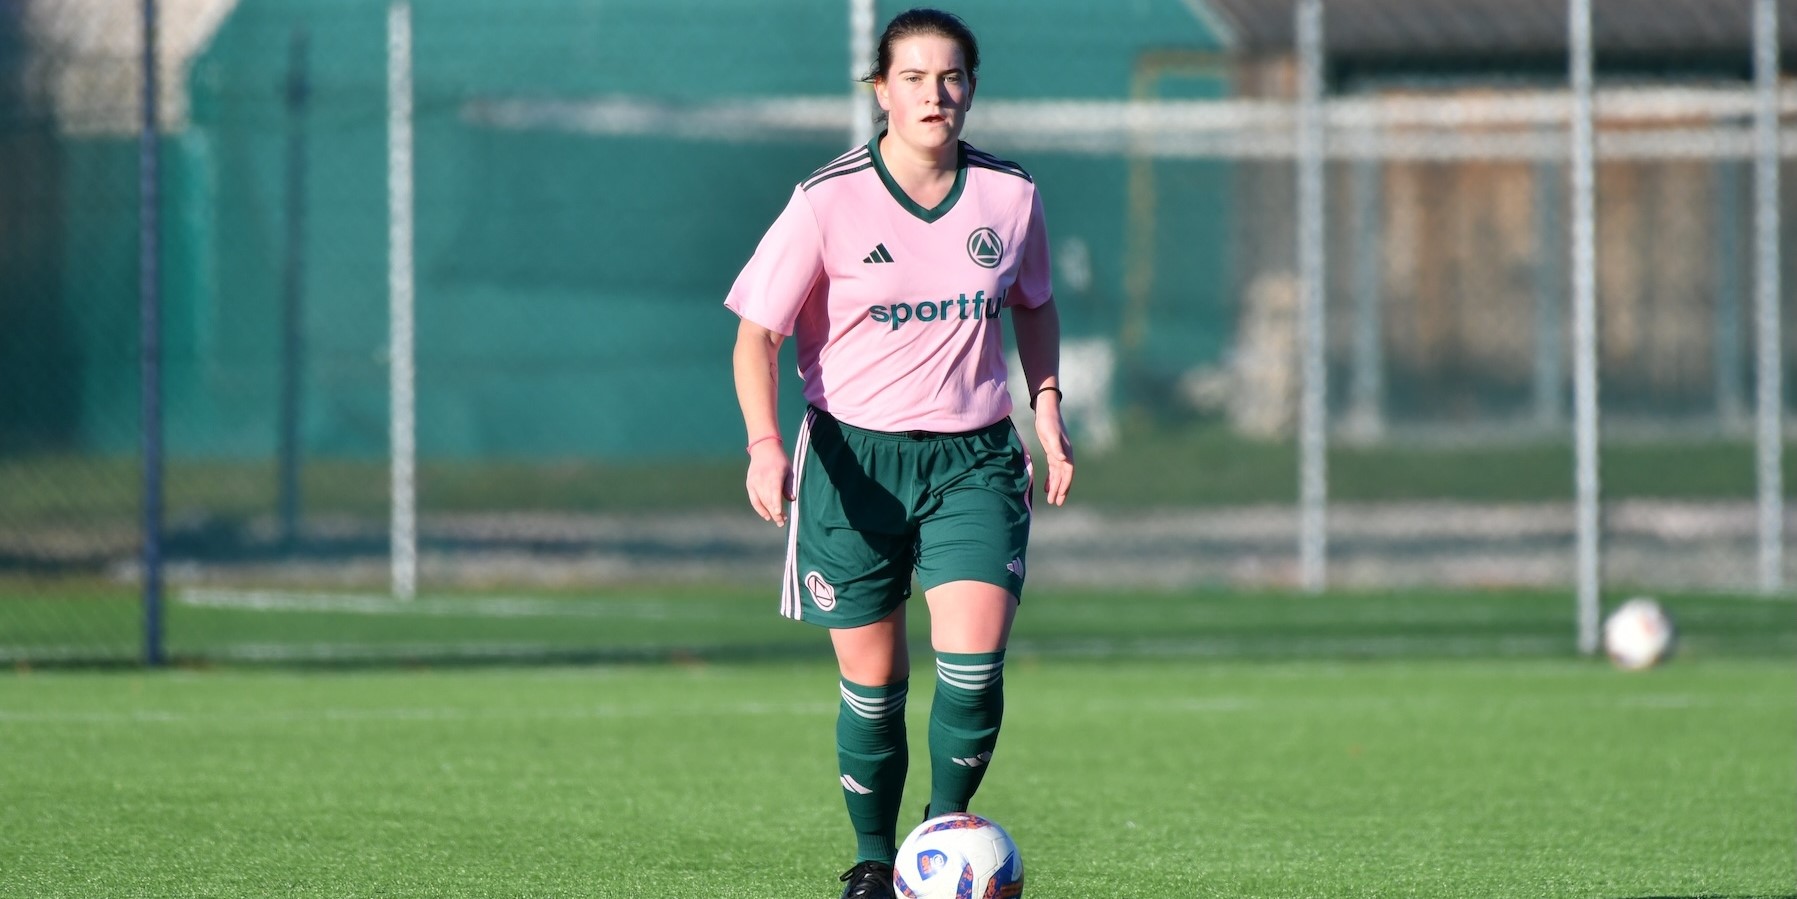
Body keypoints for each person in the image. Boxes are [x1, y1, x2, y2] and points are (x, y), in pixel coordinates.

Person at [724, 8, 1072, 898]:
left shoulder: (1009, 195)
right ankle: (874, 861)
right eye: (912, 77)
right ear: (880, 89)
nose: (933, 94)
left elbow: (1033, 303)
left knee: (974, 666)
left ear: (972, 88)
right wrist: (764, 445)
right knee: (873, 683)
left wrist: (1046, 407)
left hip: (973, 459)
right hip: (851, 461)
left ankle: (941, 842)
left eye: (950, 76)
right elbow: (756, 336)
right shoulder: (826, 200)